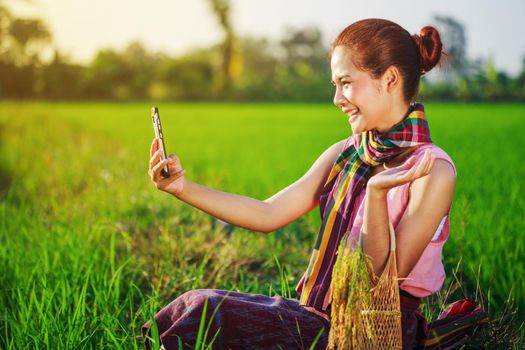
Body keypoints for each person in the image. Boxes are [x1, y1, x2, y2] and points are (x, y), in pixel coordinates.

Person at [143, 18, 457, 350]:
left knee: (210, 313)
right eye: (335, 85)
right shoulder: (348, 153)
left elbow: (384, 282)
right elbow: (269, 213)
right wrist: (183, 188)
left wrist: (377, 194)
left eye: (346, 82)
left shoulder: (432, 171)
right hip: (321, 316)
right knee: (195, 304)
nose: (337, 98)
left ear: (390, 78)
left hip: (375, 333)